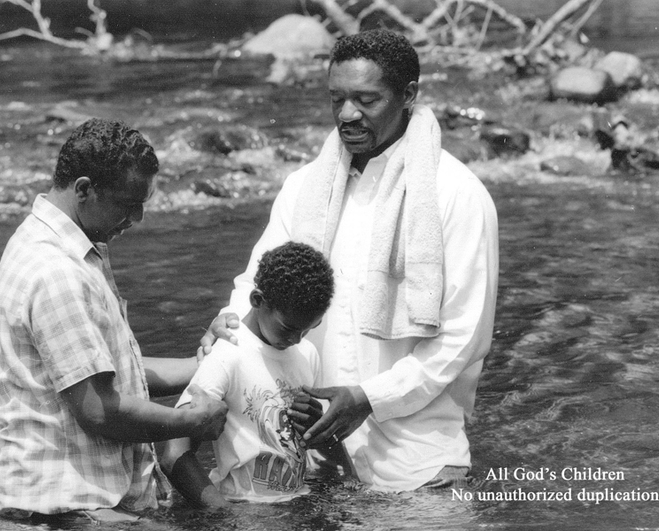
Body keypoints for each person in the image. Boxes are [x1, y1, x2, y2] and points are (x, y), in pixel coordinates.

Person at [200, 29, 499, 491]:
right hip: (305, 456)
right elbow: (256, 287)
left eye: (366, 99)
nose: (346, 115)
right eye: (336, 98)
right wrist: (227, 325)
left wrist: (368, 398)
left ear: (408, 96)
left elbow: (463, 338)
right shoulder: (304, 188)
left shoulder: (456, 195)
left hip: (417, 459)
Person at [0, 118, 228, 523]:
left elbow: (108, 371)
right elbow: (99, 410)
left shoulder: (61, 244)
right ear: (84, 190)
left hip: (63, 502)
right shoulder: (58, 272)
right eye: (129, 203)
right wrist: (190, 421)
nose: (138, 217)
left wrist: (206, 367)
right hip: (65, 507)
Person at [161, 241, 345, 507]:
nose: (296, 339)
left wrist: (319, 427)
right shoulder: (228, 354)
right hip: (241, 506)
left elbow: (315, 449)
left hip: (295, 503)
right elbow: (174, 453)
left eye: (308, 329)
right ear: (257, 300)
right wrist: (223, 514)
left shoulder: (307, 354)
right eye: (288, 328)